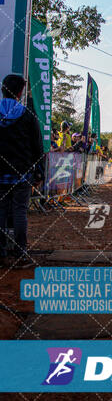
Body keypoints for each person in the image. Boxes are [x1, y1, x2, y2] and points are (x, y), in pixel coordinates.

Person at [0, 74, 44, 267]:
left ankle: (0, 253)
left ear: (3, 89)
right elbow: (37, 146)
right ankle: (20, 253)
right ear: (20, 92)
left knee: (0, 211)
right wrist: (39, 171)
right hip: (22, 173)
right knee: (19, 211)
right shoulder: (27, 115)